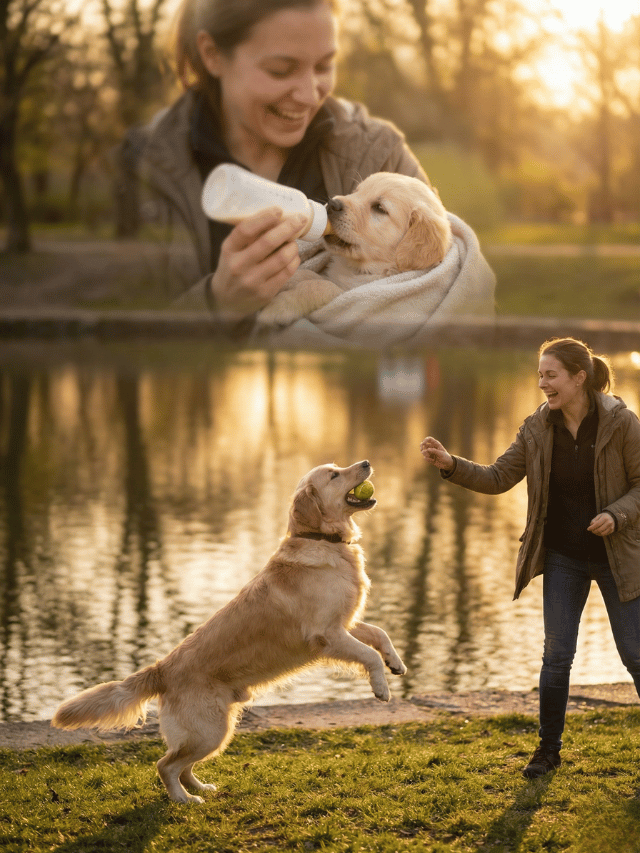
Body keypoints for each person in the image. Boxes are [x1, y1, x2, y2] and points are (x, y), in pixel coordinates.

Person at [128, 0, 429, 333]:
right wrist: (215, 304)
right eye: (281, 70)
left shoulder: (379, 155)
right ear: (212, 55)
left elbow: (442, 301)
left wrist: (378, 380)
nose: (308, 95)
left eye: (324, 66)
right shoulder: (143, 171)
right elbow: (113, 344)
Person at [420, 337, 640, 779]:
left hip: (618, 557)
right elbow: (499, 476)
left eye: (551, 375)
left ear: (579, 378)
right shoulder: (537, 428)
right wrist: (451, 465)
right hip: (563, 557)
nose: (542, 384)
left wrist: (616, 516)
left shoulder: (622, 423)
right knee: (556, 656)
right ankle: (547, 751)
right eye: (540, 375)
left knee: (636, 655)